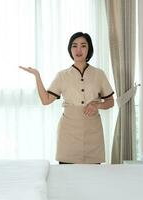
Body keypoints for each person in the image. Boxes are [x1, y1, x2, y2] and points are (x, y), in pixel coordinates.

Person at [19, 32, 114, 164]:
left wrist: (97, 105)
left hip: (93, 132)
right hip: (68, 131)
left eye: (83, 46)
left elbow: (110, 102)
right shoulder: (62, 75)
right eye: (74, 46)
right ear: (70, 50)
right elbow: (46, 100)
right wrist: (37, 76)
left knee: (93, 177)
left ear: (89, 49)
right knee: (66, 175)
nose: (78, 50)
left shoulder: (99, 74)